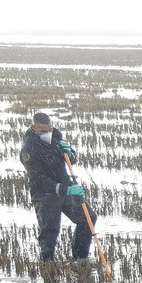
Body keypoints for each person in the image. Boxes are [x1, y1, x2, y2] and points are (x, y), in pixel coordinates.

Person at [19, 112, 95, 261]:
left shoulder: (56, 137)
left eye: (50, 129)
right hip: (44, 194)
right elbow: (38, 179)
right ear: (34, 127)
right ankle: (47, 265)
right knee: (49, 232)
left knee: (88, 218)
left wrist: (70, 154)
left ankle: (80, 258)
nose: (48, 133)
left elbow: (71, 159)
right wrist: (64, 189)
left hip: (66, 187)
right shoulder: (28, 149)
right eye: (43, 131)